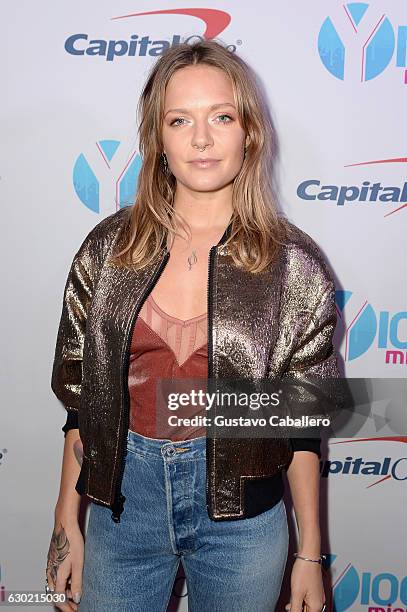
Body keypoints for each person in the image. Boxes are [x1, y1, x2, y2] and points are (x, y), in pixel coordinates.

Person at [46, 39, 337, 612]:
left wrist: (311, 554)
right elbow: (83, 405)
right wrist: (66, 523)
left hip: (243, 526)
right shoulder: (107, 250)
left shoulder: (293, 264)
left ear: (247, 132)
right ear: (158, 139)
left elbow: (302, 428)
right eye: (180, 120)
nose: (201, 138)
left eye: (221, 117)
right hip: (121, 507)